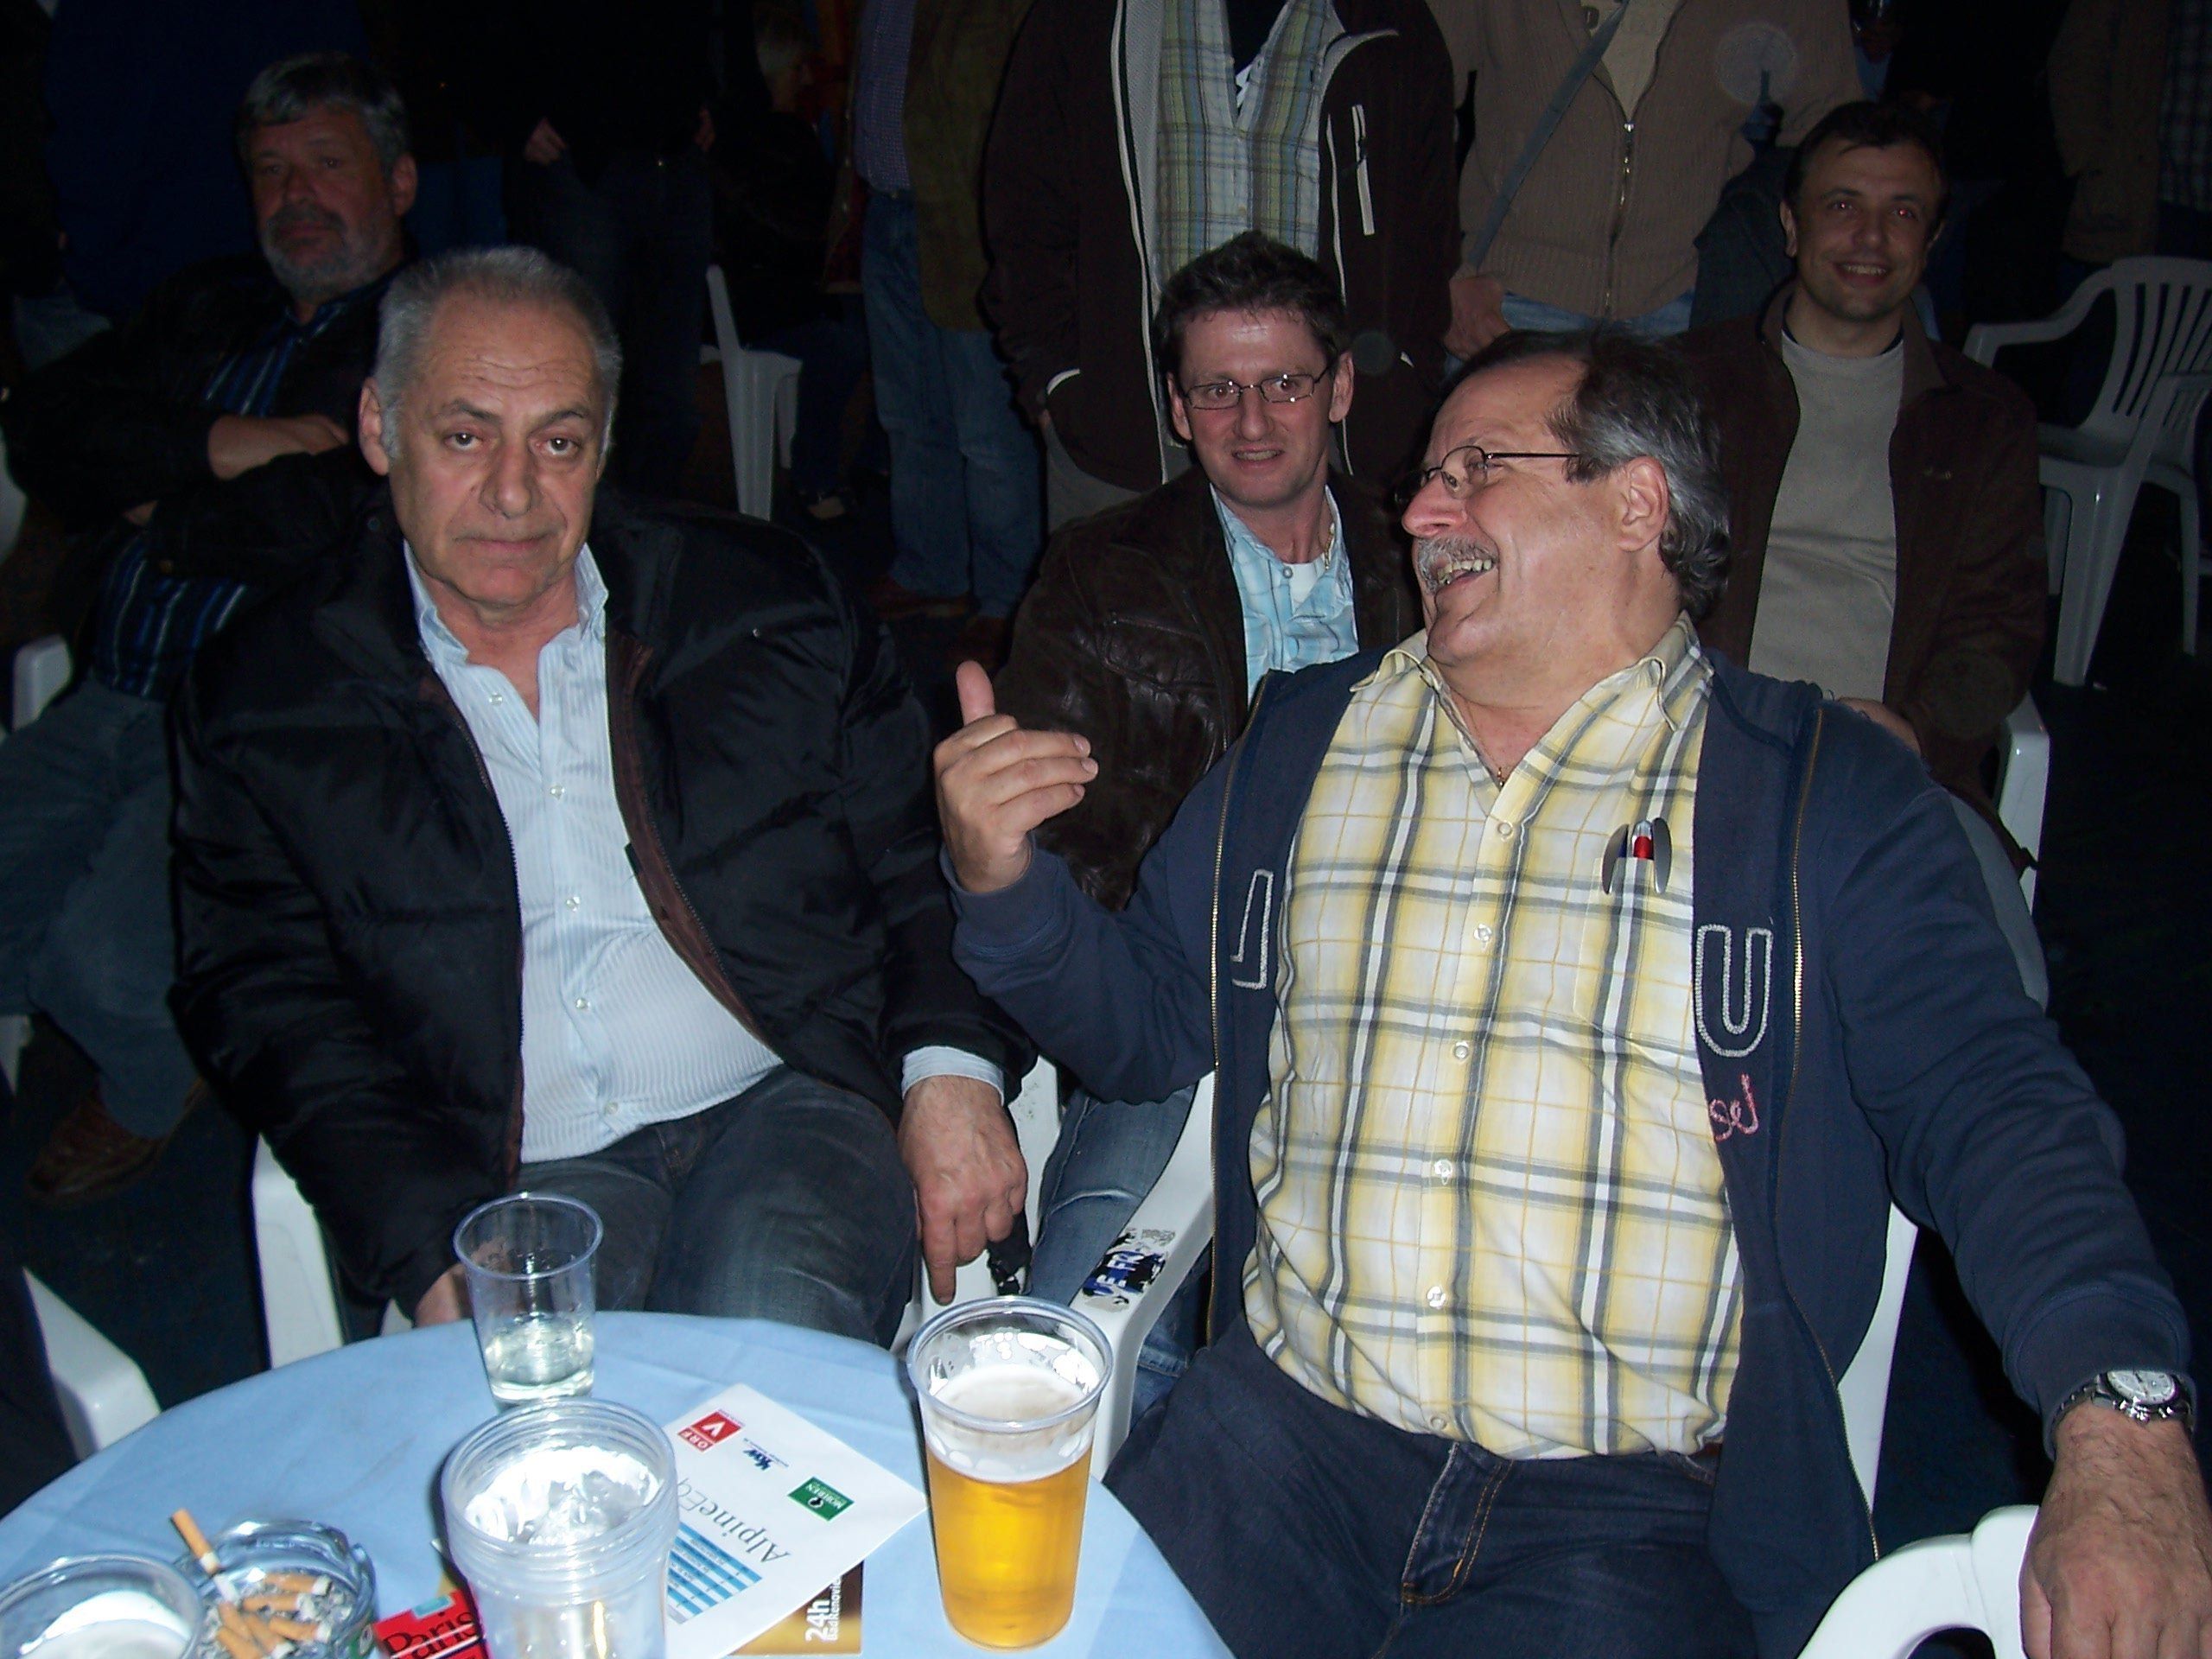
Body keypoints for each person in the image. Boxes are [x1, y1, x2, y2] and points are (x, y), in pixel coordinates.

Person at [936, 328, 2211, 1658]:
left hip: (1633, 1514)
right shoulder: (1303, 744)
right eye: (1424, 480)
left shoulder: (1814, 795)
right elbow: (1146, 1029)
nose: (1420, 514)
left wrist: (2123, 1421)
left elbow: (1994, 1106)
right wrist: (1004, 883)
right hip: (1280, 1446)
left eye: (1475, 470)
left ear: (1638, 502)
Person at [170, 246, 1033, 1341]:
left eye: (558, 442)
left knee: (760, 1342)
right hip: (512, 1167)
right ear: (380, 429)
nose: (514, 493)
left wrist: (949, 1070)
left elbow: (917, 853)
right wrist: (421, 1239)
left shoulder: (763, 604)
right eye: (465, 436)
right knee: (554, 1405)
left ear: (605, 443)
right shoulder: (268, 696)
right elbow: (268, 998)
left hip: (791, 1093)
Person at [993, 232, 1420, 1398]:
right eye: (1218, 390)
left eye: (1284, 382)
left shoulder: (1429, 559)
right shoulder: (1099, 570)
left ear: (1339, 387)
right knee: (1078, 1343)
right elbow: (1061, 845)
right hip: (1175, 1012)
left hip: (1389, 1008)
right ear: (1178, 410)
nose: (1254, 420)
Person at [0, 51, 415, 1209]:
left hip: (250, 719)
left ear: (398, 181)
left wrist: (155, 493)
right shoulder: (206, 303)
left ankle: (149, 1079)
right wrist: (223, 443)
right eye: (271, 171)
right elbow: (48, 424)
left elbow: (335, 521)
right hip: (107, 684)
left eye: (326, 164)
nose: (295, 195)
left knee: (102, 969)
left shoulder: (430, 330)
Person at [1680, 100, 2049, 1003]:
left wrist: (1916, 730)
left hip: (1889, 771)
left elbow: (1999, 626)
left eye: (1903, 211)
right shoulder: (1690, 384)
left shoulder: (1981, 419)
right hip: (1697, 754)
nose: (1871, 238)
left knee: (1998, 1000)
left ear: (1933, 238)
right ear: (1791, 225)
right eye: (1842, 205)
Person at [984, 0, 1457, 531]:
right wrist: (1058, 384)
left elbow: (1428, 238)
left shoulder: (1389, 21)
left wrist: (1402, 389)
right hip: (1127, 440)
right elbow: (1024, 214)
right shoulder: (1090, 15)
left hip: (1339, 445)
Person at [1431, 0, 1860, 355]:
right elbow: (1412, 103)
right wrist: (1443, 272)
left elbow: (1835, 132)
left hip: (1687, 301)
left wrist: (1749, 268)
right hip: (1505, 297)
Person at [852, 0, 1042, 671]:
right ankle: (930, 569)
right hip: (885, 208)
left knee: (987, 433)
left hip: (965, 222)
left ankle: (1005, 598)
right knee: (908, 416)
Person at [491, 0, 717, 500]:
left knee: (670, 392)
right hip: (578, 156)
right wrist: (511, 112)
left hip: (675, 151)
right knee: (577, 374)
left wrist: (711, 93)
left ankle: (647, 525)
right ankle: (581, 528)